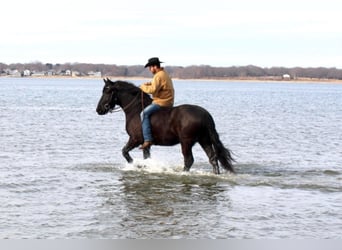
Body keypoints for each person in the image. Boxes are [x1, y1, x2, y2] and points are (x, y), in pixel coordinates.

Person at [139, 57, 175, 149]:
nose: (150, 69)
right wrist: (150, 83)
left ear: (154, 66)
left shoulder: (158, 76)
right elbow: (157, 85)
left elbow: (152, 90)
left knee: (144, 114)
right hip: (168, 101)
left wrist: (142, 87)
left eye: (150, 67)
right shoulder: (164, 74)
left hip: (162, 102)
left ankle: (147, 139)